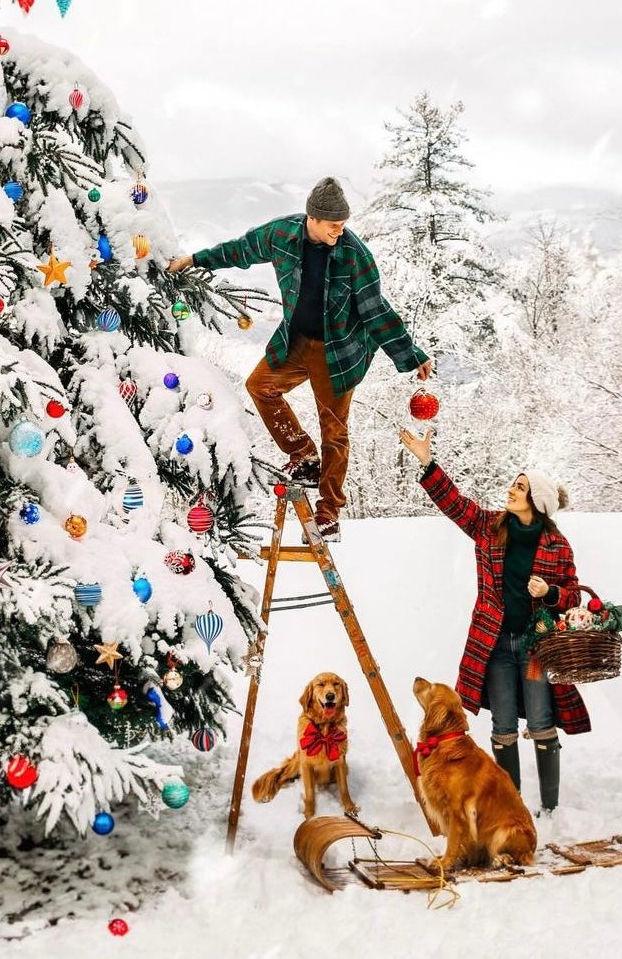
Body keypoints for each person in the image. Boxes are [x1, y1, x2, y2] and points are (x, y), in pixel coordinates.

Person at [169, 177, 432, 538]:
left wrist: (410, 354)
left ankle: (329, 512)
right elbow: (241, 250)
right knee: (259, 386)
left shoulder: (355, 256)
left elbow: (376, 310)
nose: (339, 231)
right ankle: (303, 456)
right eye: (333, 225)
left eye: (343, 225)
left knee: (334, 432)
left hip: (339, 352)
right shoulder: (283, 235)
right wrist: (197, 259)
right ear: (313, 218)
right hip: (295, 341)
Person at [399, 426, 589, 816]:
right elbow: (456, 505)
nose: (512, 490)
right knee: (502, 725)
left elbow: (572, 594)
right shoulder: (490, 526)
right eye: (515, 485)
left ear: (536, 501)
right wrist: (426, 460)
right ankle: (511, 803)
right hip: (495, 644)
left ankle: (550, 809)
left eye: (520, 487)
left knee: (540, 721)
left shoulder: (557, 545)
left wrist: (549, 595)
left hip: (537, 648)